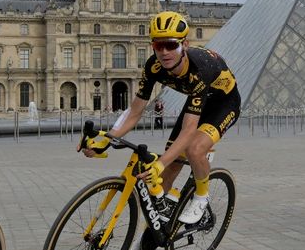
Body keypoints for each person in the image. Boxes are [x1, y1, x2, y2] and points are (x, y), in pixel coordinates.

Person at [83, 11, 239, 228]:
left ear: (184, 44)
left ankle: (201, 198)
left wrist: (160, 162)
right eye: (158, 46)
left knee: (193, 149)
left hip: (223, 103)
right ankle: (155, 232)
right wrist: (107, 138)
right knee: (168, 171)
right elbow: (135, 111)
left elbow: (188, 131)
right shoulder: (153, 67)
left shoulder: (199, 69)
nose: (164, 52)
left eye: (171, 45)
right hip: (196, 103)